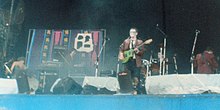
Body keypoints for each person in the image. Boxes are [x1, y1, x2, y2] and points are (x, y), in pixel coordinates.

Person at [119, 27, 150, 94]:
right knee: (128, 77)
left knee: (136, 77)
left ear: (136, 33)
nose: (131, 34)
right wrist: (121, 54)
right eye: (130, 32)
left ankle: (137, 91)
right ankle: (128, 91)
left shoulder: (140, 42)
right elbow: (121, 49)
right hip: (127, 62)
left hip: (136, 62)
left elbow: (142, 53)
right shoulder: (126, 41)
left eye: (133, 32)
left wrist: (137, 51)